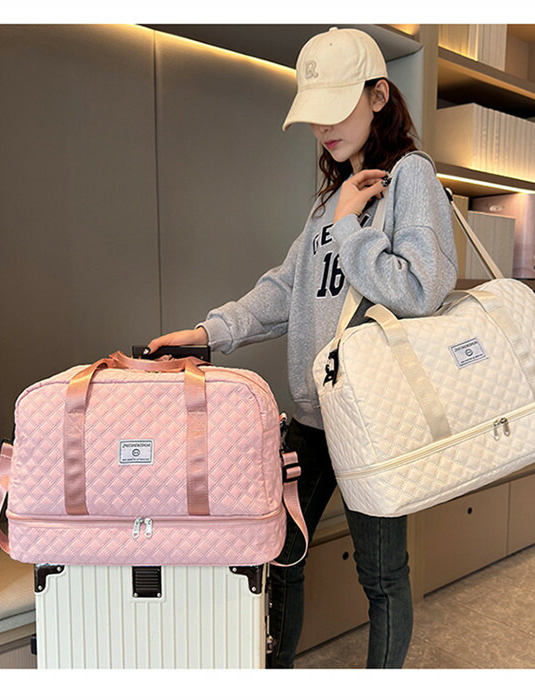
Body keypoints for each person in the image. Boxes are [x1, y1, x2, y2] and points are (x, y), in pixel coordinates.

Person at [147, 27, 458, 668]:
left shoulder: (411, 178)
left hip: (374, 419)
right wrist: (208, 334)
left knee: (381, 574)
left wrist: (350, 230)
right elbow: (285, 290)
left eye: (336, 107)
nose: (322, 127)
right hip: (317, 415)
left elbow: (421, 289)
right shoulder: (331, 201)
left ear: (378, 96)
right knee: (279, 550)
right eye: (314, 113)